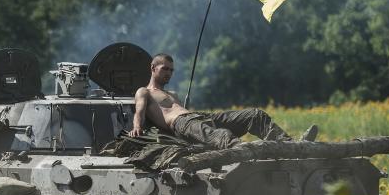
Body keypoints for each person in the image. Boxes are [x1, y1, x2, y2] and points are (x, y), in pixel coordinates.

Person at [129, 53, 316, 149]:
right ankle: (244, 150)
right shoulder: (144, 91)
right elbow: (139, 111)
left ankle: (291, 145)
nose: (169, 73)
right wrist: (137, 127)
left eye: (171, 70)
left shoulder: (173, 93)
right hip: (181, 124)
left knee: (254, 115)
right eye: (165, 69)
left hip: (197, 117)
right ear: (153, 68)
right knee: (220, 135)